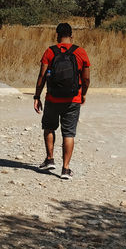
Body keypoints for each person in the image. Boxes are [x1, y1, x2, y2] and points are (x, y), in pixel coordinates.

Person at [33, 22, 90, 179]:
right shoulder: (81, 52)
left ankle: (50, 159)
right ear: (72, 35)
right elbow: (86, 79)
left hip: (52, 98)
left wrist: (37, 96)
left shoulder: (50, 52)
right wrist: (83, 94)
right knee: (69, 133)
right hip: (73, 99)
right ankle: (65, 169)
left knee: (49, 128)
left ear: (57, 35)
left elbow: (42, 76)